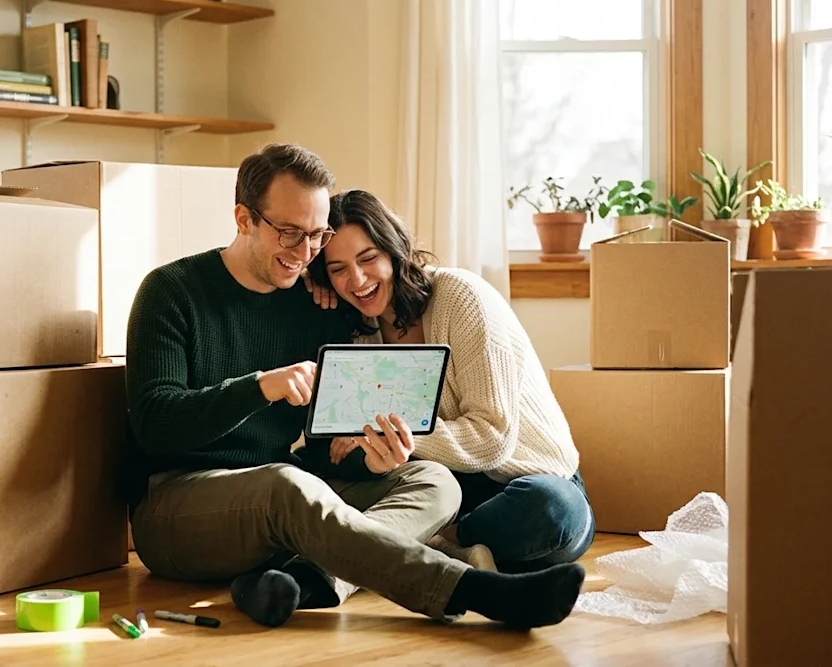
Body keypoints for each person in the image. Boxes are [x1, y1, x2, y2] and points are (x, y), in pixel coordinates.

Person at [123, 143, 586, 630]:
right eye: (289, 233)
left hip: (283, 496)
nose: (304, 254)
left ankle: (304, 579)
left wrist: (370, 455)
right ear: (244, 218)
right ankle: (477, 591)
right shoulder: (170, 291)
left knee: (433, 481)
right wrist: (259, 387)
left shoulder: (316, 307)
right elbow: (155, 425)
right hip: (177, 507)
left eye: (315, 237)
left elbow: (327, 442)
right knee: (286, 483)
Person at [305, 188, 595, 575]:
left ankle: (439, 545)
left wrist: (399, 438)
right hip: (445, 488)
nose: (356, 279)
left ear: (394, 250)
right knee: (312, 484)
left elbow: (492, 437)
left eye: (368, 258)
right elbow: (341, 442)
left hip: (530, 483)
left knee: (551, 509)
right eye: (338, 269)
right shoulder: (355, 328)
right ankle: (449, 549)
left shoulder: (461, 296)